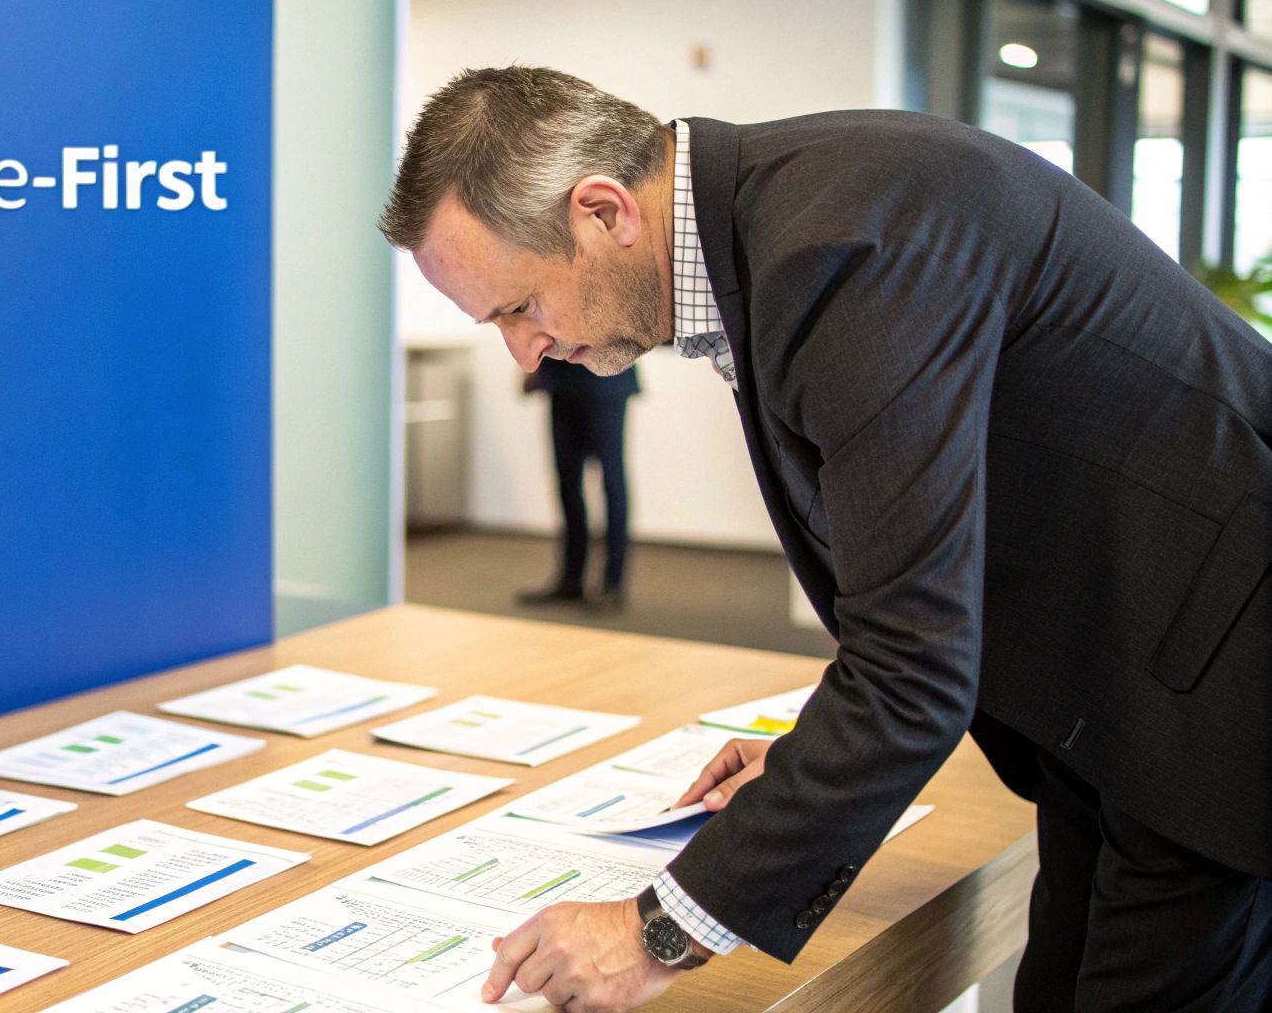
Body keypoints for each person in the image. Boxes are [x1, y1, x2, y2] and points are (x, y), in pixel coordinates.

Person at [378, 66, 1272, 1013]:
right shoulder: (780, 222)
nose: (524, 352)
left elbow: (912, 663)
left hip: (1213, 684)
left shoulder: (837, 250)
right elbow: (919, 564)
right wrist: (813, 758)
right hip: (1118, 673)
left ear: (604, 212)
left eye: (519, 307)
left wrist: (658, 931)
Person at [519, 356, 639, 609]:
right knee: (567, 481)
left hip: (605, 377)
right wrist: (530, 366)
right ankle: (571, 579)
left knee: (611, 482)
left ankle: (612, 583)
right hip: (560, 379)